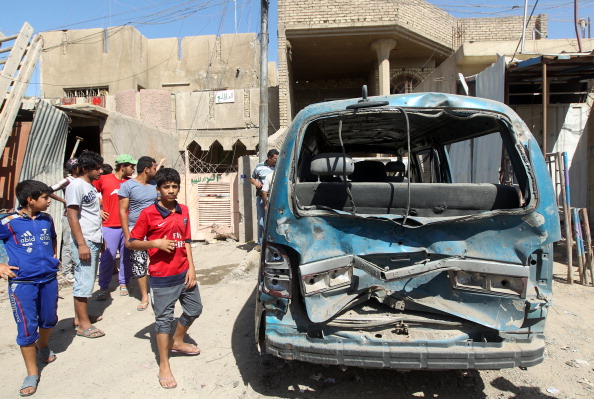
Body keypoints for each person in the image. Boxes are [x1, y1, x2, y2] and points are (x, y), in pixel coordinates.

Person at [127, 168, 202, 390]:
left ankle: (177, 340)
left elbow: (186, 241)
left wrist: (192, 269)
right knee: (162, 321)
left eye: (174, 186)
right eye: (166, 186)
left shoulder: (184, 210)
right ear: (158, 189)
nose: (171, 190)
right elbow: (132, 242)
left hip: (184, 274)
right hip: (162, 277)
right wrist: (155, 243)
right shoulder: (149, 213)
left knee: (195, 309)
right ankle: (164, 365)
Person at [0, 180, 60, 396]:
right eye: (45, 198)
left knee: (49, 319)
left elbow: (52, 239)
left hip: (49, 280)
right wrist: (0, 265)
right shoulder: (8, 222)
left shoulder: (46, 219)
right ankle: (32, 373)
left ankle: (42, 345)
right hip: (23, 283)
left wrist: (53, 258)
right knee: (26, 329)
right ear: (30, 200)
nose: (49, 202)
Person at [66, 150, 105, 339]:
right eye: (96, 168)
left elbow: (92, 215)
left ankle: (79, 317)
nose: (100, 171)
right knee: (84, 281)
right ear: (84, 169)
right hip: (85, 240)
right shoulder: (76, 186)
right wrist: (82, 244)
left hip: (94, 238)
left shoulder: (91, 186)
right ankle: (83, 325)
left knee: (87, 280)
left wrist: (101, 239)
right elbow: (72, 215)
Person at [119, 156, 159, 311]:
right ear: (146, 169)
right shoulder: (128, 186)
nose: (156, 170)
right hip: (136, 228)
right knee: (139, 261)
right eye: (154, 168)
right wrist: (127, 234)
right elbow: (122, 211)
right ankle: (144, 295)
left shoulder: (155, 184)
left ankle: (157, 290)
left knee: (156, 259)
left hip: (155, 228)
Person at [94, 154, 136, 300]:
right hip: (109, 226)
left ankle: (124, 282)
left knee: (126, 257)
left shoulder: (131, 183)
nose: (133, 169)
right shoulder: (105, 179)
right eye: (131, 166)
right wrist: (98, 210)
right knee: (107, 258)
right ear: (122, 166)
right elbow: (90, 192)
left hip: (127, 226)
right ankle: (104, 286)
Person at [49, 158, 79, 283]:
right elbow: (49, 190)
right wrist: (64, 201)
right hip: (68, 216)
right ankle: (66, 271)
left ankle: (77, 268)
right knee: (68, 243)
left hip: (80, 216)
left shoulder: (83, 180)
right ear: (75, 169)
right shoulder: (68, 180)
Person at [250, 149, 278, 249]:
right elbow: (252, 178)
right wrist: (256, 183)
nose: (276, 160)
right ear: (269, 158)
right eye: (275, 158)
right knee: (261, 222)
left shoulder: (278, 167)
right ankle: (260, 243)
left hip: (274, 197)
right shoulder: (259, 166)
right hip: (261, 197)